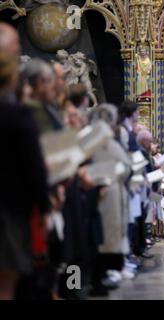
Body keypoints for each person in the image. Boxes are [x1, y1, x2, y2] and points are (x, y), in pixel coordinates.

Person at [0, 50, 50, 300]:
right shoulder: (19, 115)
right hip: (14, 207)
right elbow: (34, 166)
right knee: (9, 278)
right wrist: (44, 204)